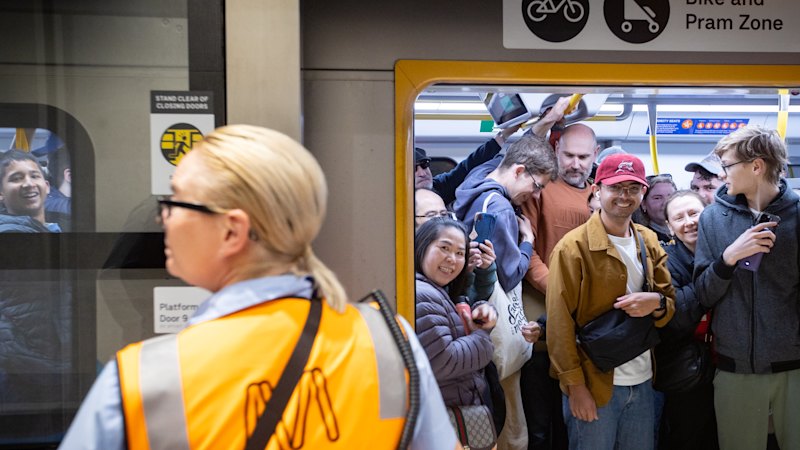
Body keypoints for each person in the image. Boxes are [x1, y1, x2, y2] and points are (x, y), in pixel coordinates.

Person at [59, 125, 457, 449]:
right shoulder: (388, 341)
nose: (164, 218)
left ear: (232, 231)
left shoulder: (141, 379)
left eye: (177, 201)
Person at [546, 153, 675, 450]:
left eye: (633, 188)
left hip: (642, 382)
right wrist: (575, 387)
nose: (624, 196)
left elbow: (669, 301)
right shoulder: (573, 248)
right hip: (594, 382)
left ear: (642, 194)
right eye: (616, 187)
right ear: (597, 189)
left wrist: (655, 302)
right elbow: (559, 322)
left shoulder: (648, 240)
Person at [693, 125, 800, 450]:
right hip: (734, 367)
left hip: (794, 367)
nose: (723, 175)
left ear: (756, 166)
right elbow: (703, 294)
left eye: (727, 166)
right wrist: (727, 260)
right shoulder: (712, 219)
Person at [454, 134, 557, 450]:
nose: (533, 195)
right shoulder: (497, 207)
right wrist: (527, 239)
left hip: (471, 323)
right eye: (536, 185)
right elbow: (510, 275)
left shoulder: (476, 185)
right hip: (493, 327)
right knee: (511, 430)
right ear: (518, 171)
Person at [519, 123, 600, 450]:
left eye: (583, 156)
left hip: (586, 326)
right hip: (541, 316)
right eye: (568, 155)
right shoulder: (540, 189)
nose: (576, 163)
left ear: (595, 155)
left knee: (575, 419)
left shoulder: (601, 193)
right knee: (540, 422)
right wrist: (559, 292)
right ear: (556, 152)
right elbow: (528, 250)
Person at [414, 217, 498, 412]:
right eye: (444, 248)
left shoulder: (437, 290)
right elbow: (444, 361)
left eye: (460, 253)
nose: (452, 258)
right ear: (422, 246)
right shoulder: (423, 294)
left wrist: (480, 312)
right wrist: (482, 336)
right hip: (442, 412)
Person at [657, 190, 718, 450]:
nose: (689, 222)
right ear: (669, 227)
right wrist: (719, 275)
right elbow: (677, 317)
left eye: (694, 213)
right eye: (679, 218)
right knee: (687, 438)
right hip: (687, 368)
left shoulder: (726, 249)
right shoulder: (666, 262)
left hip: (728, 362)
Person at [0, 150, 61, 232]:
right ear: (1, 194)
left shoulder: (54, 227)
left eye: (34, 176)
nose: (29, 184)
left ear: (47, 186)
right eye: (17, 178)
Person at [635, 174, 676, 245]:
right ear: (643, 204)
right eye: (657, 198)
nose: (666, 203)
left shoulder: (690, 230)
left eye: (671, 196)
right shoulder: (642, 239)